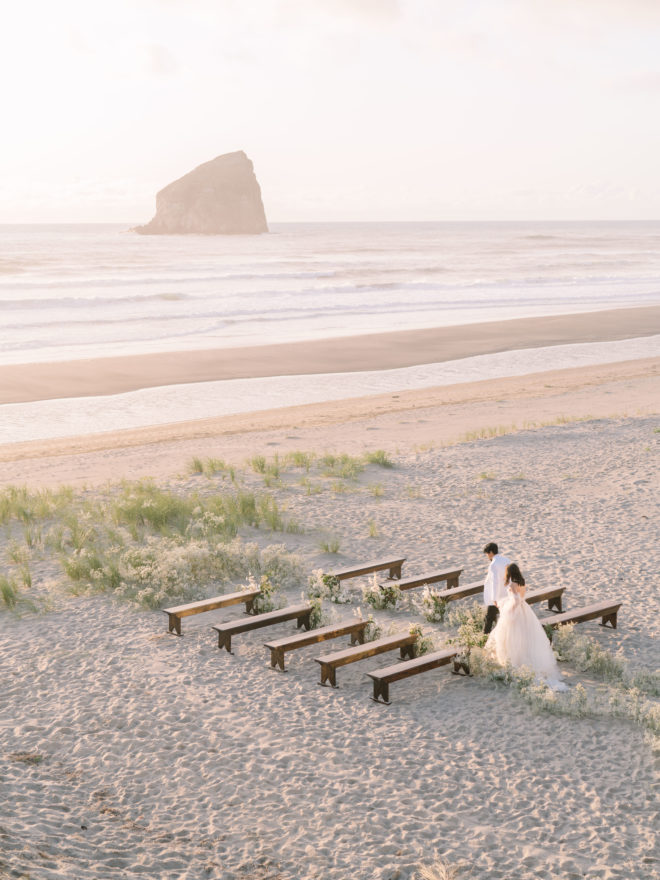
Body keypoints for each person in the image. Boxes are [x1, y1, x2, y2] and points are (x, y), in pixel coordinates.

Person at [485, 563, 567, 691]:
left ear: (509, 573)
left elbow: (516, 600)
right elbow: (521, 597)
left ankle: (514, 663)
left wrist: (510, 610)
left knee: (511, 637)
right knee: (524, 636)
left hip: (516, 611)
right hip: (525, 610)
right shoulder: (522, 582)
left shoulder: (512, 584)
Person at [482, 542, 511, 634]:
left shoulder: (493, 564)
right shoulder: (506, 560)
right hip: (507, 593)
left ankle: (485, 635)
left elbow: (495, 582)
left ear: (490, 552)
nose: (487, 556)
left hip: (497, 595)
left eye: (487, 553)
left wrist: (494, 598)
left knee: (489, 617)